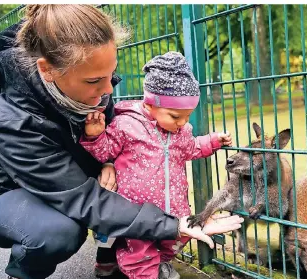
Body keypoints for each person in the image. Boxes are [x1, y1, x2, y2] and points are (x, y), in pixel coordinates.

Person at [0, 5, 243, 279]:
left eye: (111, 74)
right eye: (96, 80)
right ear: (47, 70)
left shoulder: (95, 89)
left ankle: (110, 259)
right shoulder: (12, 122)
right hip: (9, 192)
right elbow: (80, 198)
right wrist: (174, 226)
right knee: (58, 232)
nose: (109, 89)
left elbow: (105, 141)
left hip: (68, 180)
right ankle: (24, 272)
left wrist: (108, 161)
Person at [80, 51, 233, 279]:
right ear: (150, 104)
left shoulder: (181, 132)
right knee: (139, 253)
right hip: (136, 211)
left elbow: (191, 148)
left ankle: (161, 264)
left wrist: (212, 141)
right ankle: (142, 273)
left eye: (187, 116)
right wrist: (94, 136)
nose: (182, 123)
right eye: (175, 116)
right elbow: (105, 152)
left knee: (171, 244)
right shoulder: (126, 125)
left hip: (175, 210)